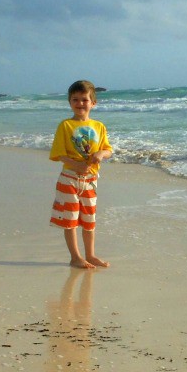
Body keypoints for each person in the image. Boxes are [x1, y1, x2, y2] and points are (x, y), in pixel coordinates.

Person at [49, 80, 114, 269]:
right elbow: (58, 153)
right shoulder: (65, 125)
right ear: (70, 102)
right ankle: (75, 257)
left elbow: (108, 150)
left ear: (93, 103)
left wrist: (101, 154)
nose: (80, 104)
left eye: (84, 100)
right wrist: (76, 164)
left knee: (89, 220)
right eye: (75, 100)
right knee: (69, 220)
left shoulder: (99, 126)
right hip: (69, 179)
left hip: (90, 181)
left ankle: (91, 255)